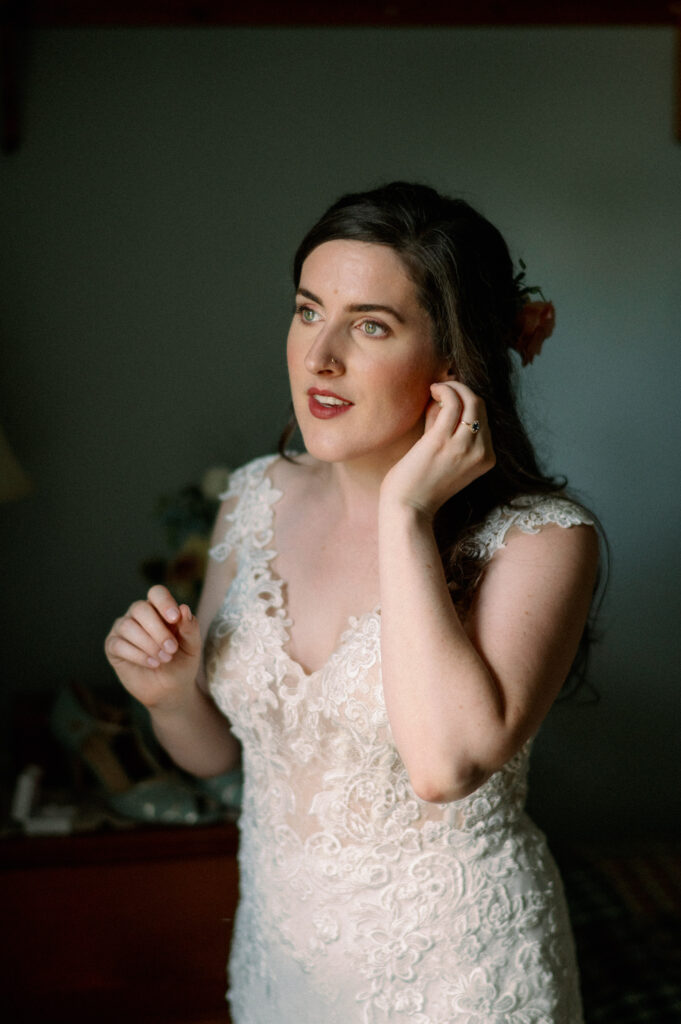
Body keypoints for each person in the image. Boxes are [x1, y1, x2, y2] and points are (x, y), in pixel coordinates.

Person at [105, 182, 599, 1023]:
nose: (318, 356)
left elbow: (445, 768)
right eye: (307, 311)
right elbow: (219, 758)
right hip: (280, 966)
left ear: (453, 360)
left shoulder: (543, 540)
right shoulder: (255, 496)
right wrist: (170, 694)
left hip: (458, 979)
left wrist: (405, 517)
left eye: (370, 325)